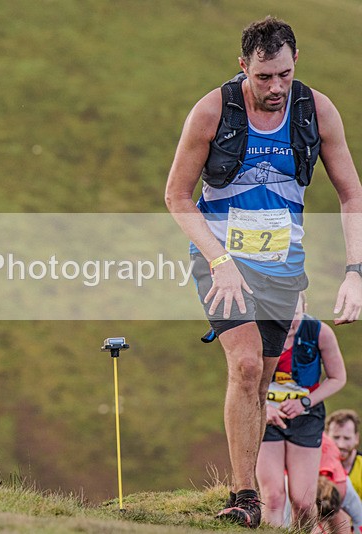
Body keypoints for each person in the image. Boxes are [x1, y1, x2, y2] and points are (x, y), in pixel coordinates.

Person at [165, 16, 362, 528]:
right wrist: (219, 259)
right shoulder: (213, 111)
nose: (275, 87)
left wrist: (355, 272)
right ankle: (244, 495)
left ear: (296, 65)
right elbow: (177, 196)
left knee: (262, 380)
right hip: (221, 262)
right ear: (243, 68)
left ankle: (249, 491)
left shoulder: (316, 111)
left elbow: (351, 194)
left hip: (283, 269)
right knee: (247, 366)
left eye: (285, 74)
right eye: (263, 76)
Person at [256, 293, 347, 529]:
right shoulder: (258, 331)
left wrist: (304, 402)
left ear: (304, 308)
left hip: (307, 418)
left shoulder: (319, 332)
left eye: (295, 314)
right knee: (274, 496)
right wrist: (265, 407)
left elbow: (338, 378)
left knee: (304, 502)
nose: (289, 321)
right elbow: (241, 380)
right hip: (266, 417)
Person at [327, 409, 362, 497]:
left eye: (347, 438)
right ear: (326, 436)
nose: (341, 445)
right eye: (336, 437)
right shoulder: (316, 466)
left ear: (356, 438)